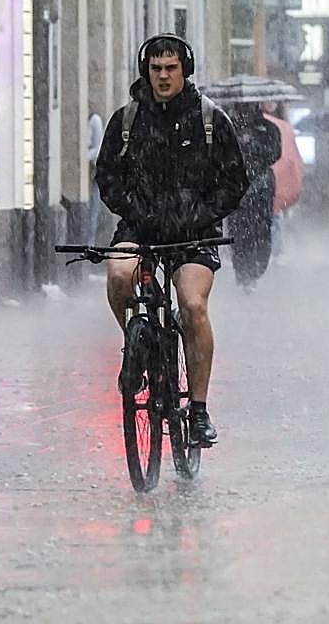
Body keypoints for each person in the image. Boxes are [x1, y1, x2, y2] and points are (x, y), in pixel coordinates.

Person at [95, 34, 249, 446]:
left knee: (193, 306)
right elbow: (107, 178)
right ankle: (137, 346)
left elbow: (235, 181)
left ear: (185, 70)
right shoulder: (126, 121)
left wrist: (199, 214)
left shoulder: (209, 119)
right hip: (139, 227)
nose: (163, 76)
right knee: (118, 276)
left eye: (171, 68)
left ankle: (198, 410)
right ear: (146, 71)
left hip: (194, 232)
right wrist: (136, 211)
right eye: (156, 69)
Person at [227, 103, 280, 291]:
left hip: (262, 189)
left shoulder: (268, 129)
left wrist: (254, 145)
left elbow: (275, 154)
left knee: (261, 230)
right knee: (238, 233)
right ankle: (243, 273)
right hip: (238, 189)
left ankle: (256, 269)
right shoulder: (228, 125)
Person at [262, 102, 304, 260]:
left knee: (267, 216)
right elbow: (293, 159)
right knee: (275, 215)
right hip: (277, 181)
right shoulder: (284, 128)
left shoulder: (258, 127)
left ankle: (266, 249)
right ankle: (276, 250)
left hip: (264, 179)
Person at [84, 110, 104, 245]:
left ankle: (90, 241)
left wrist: (84, 156)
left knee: (93, 209)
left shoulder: (94, 120)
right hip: (86, 175)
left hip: (93, 172)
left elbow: (98, 148)